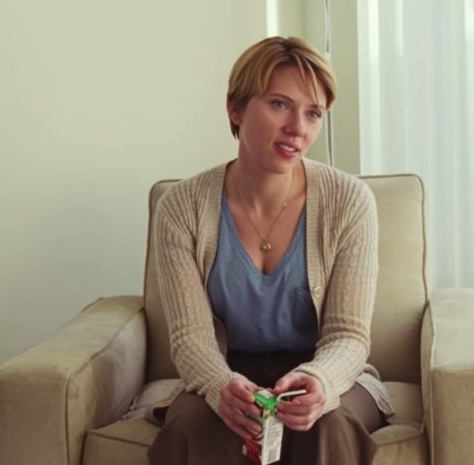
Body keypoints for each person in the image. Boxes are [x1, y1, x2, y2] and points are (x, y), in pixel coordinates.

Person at [147, 36, 394, 465]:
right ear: (236, 109)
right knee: (195, 428)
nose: (298, 127)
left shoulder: (349, 201)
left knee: (327, 424)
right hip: (226, 372)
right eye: (280, 104)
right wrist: (220, 385)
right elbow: (190, 338)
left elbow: (349, 336)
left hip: (327, 370)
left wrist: (320, 381)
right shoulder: (182, 207)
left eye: (313, 113)